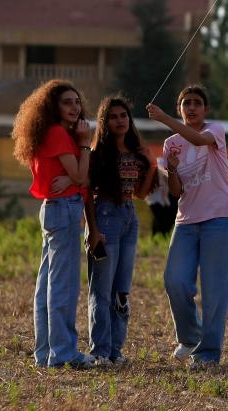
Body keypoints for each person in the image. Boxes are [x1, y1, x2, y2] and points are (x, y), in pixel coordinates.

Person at [147, 85, 228, 369]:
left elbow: (198, 140)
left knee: (215, 290)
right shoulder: (171, 143)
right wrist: (171, 168)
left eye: (197, 103)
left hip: (218, 219)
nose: (192, 107)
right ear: (180, 108)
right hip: (186, 221)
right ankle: (189, 337)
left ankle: (208, 353)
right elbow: (176, 192)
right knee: (175, 280)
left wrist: (163, 119)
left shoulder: (215, 131)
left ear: (206, 109)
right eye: (186, 103)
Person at [11, 79, 97, 369]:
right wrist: (85, 145)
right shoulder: (59, 134)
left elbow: (72, 175)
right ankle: (63, 353)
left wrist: (72, 175)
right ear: (53, 106)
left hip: (53, 209)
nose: (74, 107)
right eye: (66, 102)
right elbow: (81, 177)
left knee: (48, 283)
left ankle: (46, 351)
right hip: (63, 210)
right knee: (64, 285)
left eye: (76, 101)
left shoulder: (49, 133)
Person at [84, 95, 156, 366]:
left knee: (121, 291)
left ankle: (115, 350)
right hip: (104, 216)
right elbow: (87, 194)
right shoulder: (97, 155)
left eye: (123, 116)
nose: (119, 120)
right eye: (113, 117)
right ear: (104, 121)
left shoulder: (135, 153)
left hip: (129, 217)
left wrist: (149, 165)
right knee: (101, 290)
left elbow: (140, 193)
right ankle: (100, 351)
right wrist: (93, 230)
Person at [146, 157, 178, 237]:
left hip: (164, 199)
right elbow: (160, 169)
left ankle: (158, 240)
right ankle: (157, 240)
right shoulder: (159, 161)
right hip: (155, 199)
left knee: (164, 221)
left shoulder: (166, 161)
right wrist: (170, 172)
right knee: (161, 220)